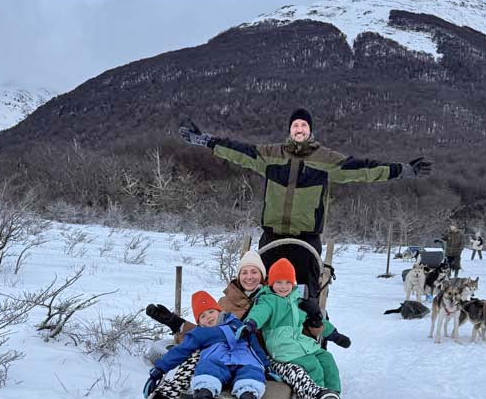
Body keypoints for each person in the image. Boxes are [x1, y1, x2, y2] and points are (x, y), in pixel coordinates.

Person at [179, 109, 432, 298]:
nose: (299, 129)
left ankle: (306, 338)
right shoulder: (270, 156)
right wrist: (202, 140)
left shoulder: (326, 160)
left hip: (306, 239)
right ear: (289, 130)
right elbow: (236, 150)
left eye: (304, 125)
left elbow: (364, 169)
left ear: (310, 131)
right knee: (261, 289)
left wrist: (403, 170)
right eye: (295, 125)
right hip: (272, 236)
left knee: (303, 293)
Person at [145, 250, 347, 399]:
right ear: (238, 275)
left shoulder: (282, 298)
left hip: (270, 357)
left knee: (298, 370)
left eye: (254, 272)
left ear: (263, 276)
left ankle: (319, 398)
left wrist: (315, 318)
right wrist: (178, 324)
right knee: (196, 356)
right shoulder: (226, 303)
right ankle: (163, 397)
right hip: (229, 356)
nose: (249, 277)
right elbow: (208, 330)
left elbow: (308, 332)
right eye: (244, 272)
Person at [144, 290, 268, 399]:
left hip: (244, 359)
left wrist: (265, 365)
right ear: (199, 323)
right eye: (202, 316)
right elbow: (181, 350)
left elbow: (254, 345)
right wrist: (160, 368)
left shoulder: (237, 324)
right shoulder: (199, 333)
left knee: (251, 374)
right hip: (216, 361)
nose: (208, 317)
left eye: (210, 312)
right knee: (206, 370)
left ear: (219, 311)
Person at [238, 259, 341, 393]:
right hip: (281, 347)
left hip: (300, 342)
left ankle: (334, 395)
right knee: (313, 366)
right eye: (279, 282)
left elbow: (314, 319)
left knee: (327, 359)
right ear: (271, 283)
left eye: (288, 282)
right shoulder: (268, 300)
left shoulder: (297, 301)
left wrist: (334, 334)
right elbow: (259, 313)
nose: (283, 286)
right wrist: (251, 323)